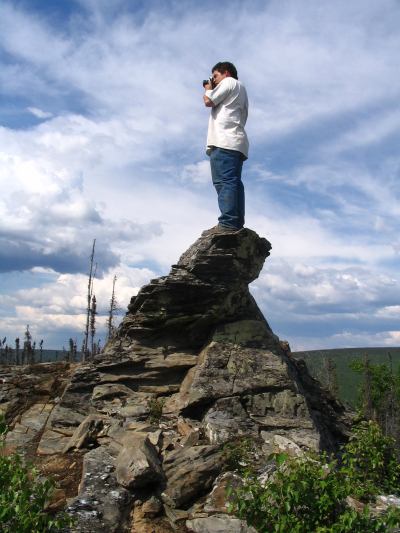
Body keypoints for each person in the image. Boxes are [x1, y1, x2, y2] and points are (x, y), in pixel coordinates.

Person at [203, 61, 249, 232]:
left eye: (215, 76)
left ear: (226, 73)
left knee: (224, 182)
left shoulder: (230, 82)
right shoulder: (240, 89)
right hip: (235, 141)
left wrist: (208, 88)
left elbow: (209, 101)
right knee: (234, 182)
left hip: (224, 140)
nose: (214, 80)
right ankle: (235, 223)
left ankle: (228, 223)